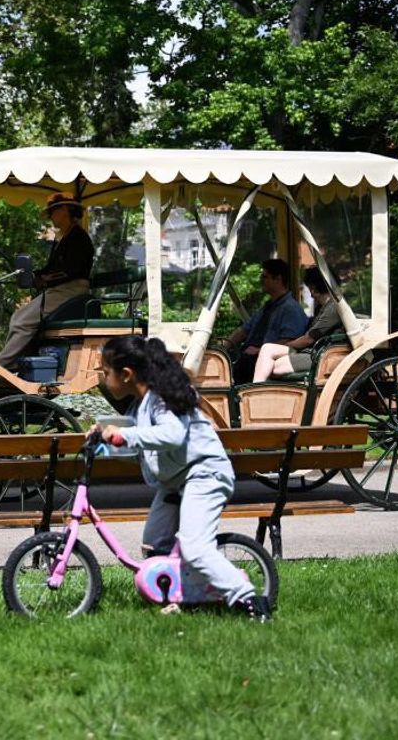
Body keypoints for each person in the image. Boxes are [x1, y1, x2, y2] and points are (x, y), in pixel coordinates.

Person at [92, 335, 272, 621]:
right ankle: (178, 594)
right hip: (177, 480)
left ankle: (250, 600)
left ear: (126, 374)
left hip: (205, 473)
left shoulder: (162, 397)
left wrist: (123, 434)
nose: (102, 377)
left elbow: (172, 434)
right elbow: (142, 444)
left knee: (196, 547)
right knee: (155, 543)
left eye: (105, 372)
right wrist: (104, 439)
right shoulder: (140, 404)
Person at [0, 192, 94, 368]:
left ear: (64, 210)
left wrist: (44, 279)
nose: (50, 217)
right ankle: (21, 361)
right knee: (18, 316)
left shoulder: (79, 237)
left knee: (23, 321)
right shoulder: (62, 238)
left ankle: (3, 364)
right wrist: (35, 276)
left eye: (52, 212)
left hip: (71, 289)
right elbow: (52, 269)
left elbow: (71, 271)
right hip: (59, 289)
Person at [219, 258, 308, 384]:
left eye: (265, 277)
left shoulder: (290, 309)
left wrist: (259, 350)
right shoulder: (267, 307)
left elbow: (290, 341)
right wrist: (223, 346)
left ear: (278, 279)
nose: (261, 281)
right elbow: (244, 330)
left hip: (260, 361)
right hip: (247, 356)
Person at [252, 267, 343, 383]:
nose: (311, 295)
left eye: (310, 288)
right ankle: (255, 387)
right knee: (267, 349)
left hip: (321, 356)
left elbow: (308, 339)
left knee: (275, 367)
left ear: (314, 288)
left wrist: (288, 344)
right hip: (312, 351)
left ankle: (256, 391)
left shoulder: (333, 307)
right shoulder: (324, 306)